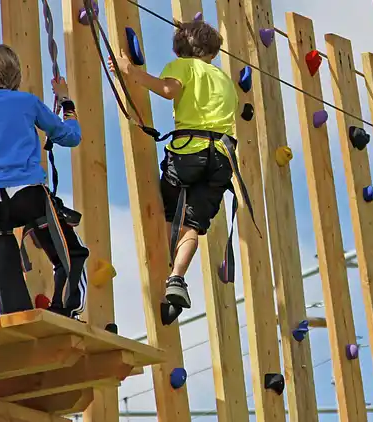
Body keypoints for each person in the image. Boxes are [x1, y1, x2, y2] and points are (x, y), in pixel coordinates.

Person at [108, 19, 238, 324]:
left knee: (168, 210)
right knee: (193, 224)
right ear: (212, 51)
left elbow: (168, 90)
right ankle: (177, 277)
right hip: (222, 158)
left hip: (189, 152)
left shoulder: (184, 66)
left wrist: (131, 72)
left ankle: (166, 264)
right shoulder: (223, 79)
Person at [0, 44, 89, 318]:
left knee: (3, 266)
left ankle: (16, 318)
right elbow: (69, 137)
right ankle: (64, 309)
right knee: (70, 253)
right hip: (26, 194)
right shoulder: (26, 102)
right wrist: (67, 104)